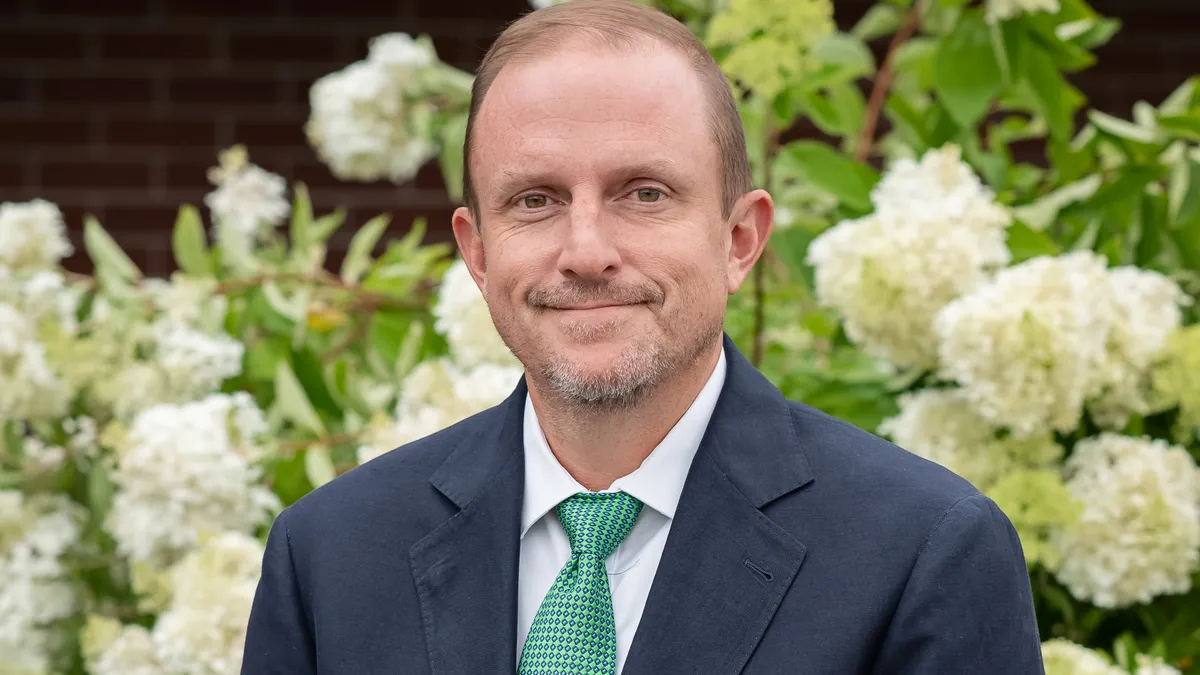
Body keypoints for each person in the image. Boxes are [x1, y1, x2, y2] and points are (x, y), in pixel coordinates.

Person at [240, 1, 1044, 673]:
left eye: (644, 192)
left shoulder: (923, 552)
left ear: (739, 239)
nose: (586, 251)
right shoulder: (329, 556)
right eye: (535, 200)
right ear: (476, 251)